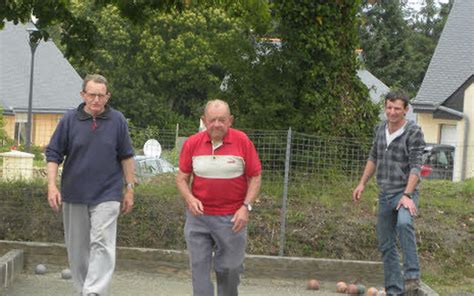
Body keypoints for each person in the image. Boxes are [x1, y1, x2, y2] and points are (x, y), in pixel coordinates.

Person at [45, 74, 135, 296]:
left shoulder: (118, 121)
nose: (96, 100)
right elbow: (53, 154)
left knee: (102, 242)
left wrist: (130, 188)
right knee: (78, 249)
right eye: (92, 95)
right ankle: (84, 289)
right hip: (74, 193)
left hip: (108, 193)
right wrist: (52, 186)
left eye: (101, 96)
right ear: (83, 95)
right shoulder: (68, 120)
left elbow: (127, 156)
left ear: (108, 97)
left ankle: (93, 292)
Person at [176, 99, 262, 296]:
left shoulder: (242, 142)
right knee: (199, 272)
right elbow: (181, 178)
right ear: (204, 121)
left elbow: (255, 177)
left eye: (222, 120)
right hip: (198, 218)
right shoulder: (192, 143)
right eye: (212, 120)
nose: (217, 124)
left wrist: (245, 207)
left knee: (230, 270)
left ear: (230, 120)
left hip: (232, 219)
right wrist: (189, 198)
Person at [352, 91, 426, 295]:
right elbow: (373, 157)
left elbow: (416, 166)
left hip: (404, 193)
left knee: (404, 223)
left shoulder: (413, 131)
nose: (392, 112)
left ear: (406, 110)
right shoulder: (379, 129)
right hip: (385, 194)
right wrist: (362, 183)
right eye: (389, 108)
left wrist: (407, 195)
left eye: (397, 108)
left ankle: (411, 278)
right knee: (386, 244)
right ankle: (395, 290)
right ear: (385, 108)